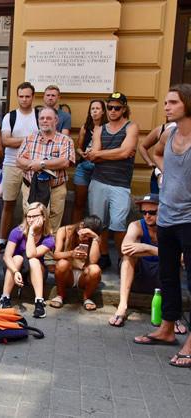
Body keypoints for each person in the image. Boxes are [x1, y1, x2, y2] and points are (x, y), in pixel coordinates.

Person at [133, 86, 191, 357]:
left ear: (187, 105)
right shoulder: (169, 133)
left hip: (189, 220)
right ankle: (167, 329)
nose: (166, 107)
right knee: (168, 277)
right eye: (165, 102)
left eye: (172, 102)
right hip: (167, 216)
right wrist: (164, 174)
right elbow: (156, 153)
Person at [108, 194, 178, 327]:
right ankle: (122, 306)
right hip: (140, 275)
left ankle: (171, 312)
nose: (147, 216)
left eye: (152, 212)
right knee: (127, 258)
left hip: (162, 276)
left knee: (174, 263)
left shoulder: (170, 228)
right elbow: (125, 249)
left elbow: (181, 258)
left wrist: (148, 248)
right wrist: (163, 252)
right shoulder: (136, 226)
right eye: (143, 212)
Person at [88, 92, 140, 270]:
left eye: (117, 107)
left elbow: (125, 152)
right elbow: (92, 157)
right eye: (109, 107)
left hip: (120, 184)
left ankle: (121, 257)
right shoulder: (99, 129)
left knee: (119, 224)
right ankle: (103, 256)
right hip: (99, 181)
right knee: (98, 223)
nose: (112, 110)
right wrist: (118, 153)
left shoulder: (131, 127)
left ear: (124, 109)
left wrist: (103, 153)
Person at [16, 106, 75, 234]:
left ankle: (48, 254)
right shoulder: (29, 139)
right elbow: (19, 161)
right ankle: (32, 253)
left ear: (56, 121)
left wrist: (42, 164)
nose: (44, 121)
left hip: (55, 189)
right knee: (31, 223)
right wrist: (37, 164)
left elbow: (65, 161)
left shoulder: (65, 141)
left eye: (49, 118)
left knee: (52, 226)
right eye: (42, 118)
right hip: (31, 187)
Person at [0, 82, 39, 250]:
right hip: (11, 164)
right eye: (21, 96)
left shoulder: (39, 115)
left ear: (33, 97)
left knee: (30, 206)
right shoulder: (10, 116)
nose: (24, 99)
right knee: (8, 203)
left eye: (27, 96)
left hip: (33, 166)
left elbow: (44, 140)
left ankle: (26, 240)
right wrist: (30, 139)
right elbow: (6, 141)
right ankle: (2, 239)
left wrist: (20, 141)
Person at [0, 202, 55, 318]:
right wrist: (15, 271)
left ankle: (39, 302)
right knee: (17, 258)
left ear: (43, 218)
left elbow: (31, 253)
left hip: (36, 273)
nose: (31, 219)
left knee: (33, 260)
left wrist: (31, 232)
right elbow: (6, 256)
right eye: (28, 216)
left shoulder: (49, 238)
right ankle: (4, 298)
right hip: (14, 270)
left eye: (35, 216)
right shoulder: (17, 231)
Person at [51, 215, 103, 311]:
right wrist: (71, 253)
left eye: (89, 236)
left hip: (84, 275)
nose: (87, 239)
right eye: (85, 235)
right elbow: (56, 255)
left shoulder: (96, 237)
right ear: (81, 225)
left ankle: (87, 297)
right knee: (62, 264)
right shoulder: (64, 231)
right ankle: (60, 295)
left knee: (95, 269)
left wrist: (95, 238)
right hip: (67, 273)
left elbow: (93, 261)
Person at [72, 99, 108, 222]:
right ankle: (74, 233)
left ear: (103, 111)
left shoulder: (108, 128)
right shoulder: (85, 127)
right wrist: (81, 153)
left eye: (98, 108)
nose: (95, 111)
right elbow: (79, 147)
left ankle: (93, 234)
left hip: (99, 168)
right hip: (84, 167)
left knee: (96, 206)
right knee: (78, 203)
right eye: (92, 109)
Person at [138, 120, 176, 194]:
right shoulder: (161, 129)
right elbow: (143, 146)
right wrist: (150, 163)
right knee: (155, 202)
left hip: (178, 176)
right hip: (159, 174)